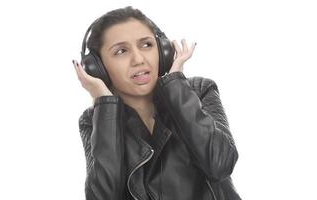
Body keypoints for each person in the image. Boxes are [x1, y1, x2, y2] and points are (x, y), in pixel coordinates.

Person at [73, 6, 241, 200]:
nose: (138, 59)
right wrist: (105, 104)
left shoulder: (200, 90)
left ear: (164, 51)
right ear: (97, 67)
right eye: (121, 51)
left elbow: (220, 163)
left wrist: (176, 85)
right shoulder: (95, 120)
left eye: (146, 45)